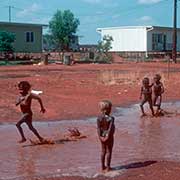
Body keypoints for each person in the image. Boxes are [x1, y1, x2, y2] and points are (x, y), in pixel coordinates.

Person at [97, 100, 115, 172]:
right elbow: (110, 129)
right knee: (109, 151)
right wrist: (107, 137)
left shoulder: (99, 118)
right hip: (109, 136)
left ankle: (102, 167)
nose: (111, 110)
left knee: (103, 151)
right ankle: (108, 167)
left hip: (102, 135)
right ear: (108, 109)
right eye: (110, 108)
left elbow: (98, 128)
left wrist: (100, 137)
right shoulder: (111, 118)